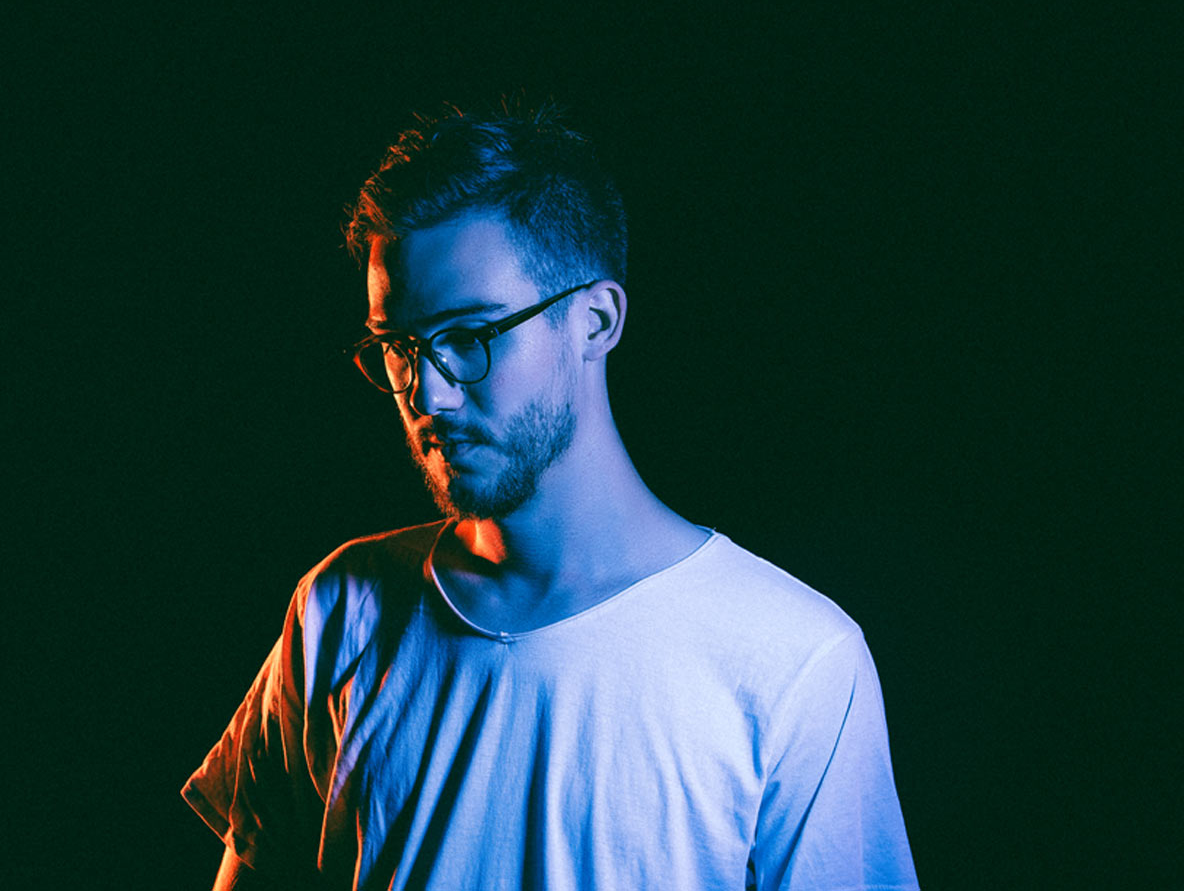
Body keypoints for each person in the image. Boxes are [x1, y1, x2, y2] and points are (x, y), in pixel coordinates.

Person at [183, 103, 919, 890]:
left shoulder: (792, 659)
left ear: (595, 321)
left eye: (470, 335)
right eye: (399, 345)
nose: (427, 391)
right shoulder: (339, 608)